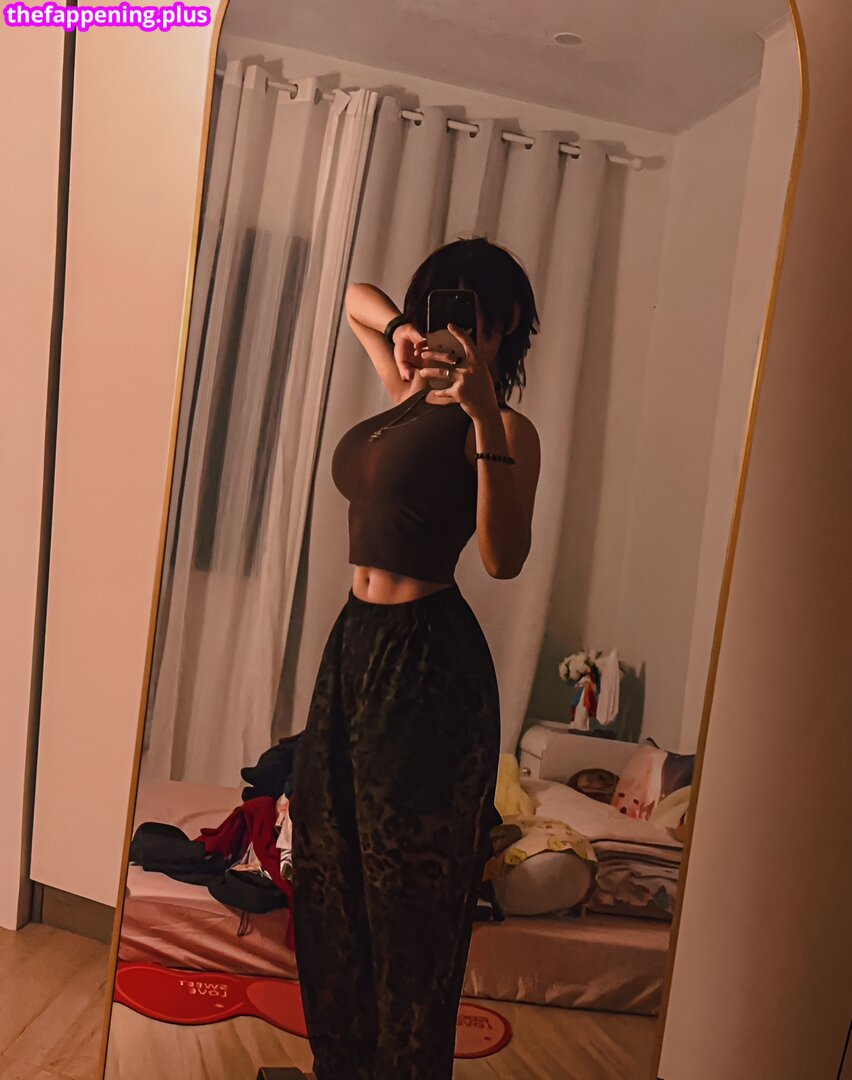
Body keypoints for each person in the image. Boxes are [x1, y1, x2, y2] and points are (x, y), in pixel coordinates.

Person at [290, 237, 541, 1080]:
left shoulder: (507, 428)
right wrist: (401, 328)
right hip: (353, 646)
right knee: (328, 873)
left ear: (502, 325)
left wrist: (482, 416)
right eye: (441, 306)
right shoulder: (403, 393)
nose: (451, 328)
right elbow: (353, 298)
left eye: (469, 312)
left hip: (430, 664)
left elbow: (504, 559)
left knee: (409, 908)